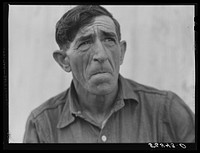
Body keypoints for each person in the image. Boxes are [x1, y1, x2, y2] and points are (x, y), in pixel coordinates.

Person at [23, 5, 195, 143]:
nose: (102, 55)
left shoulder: (166, 110)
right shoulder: (42, 124)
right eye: (85, 43)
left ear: (121, 52)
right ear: (64, 61)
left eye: (109, 40)